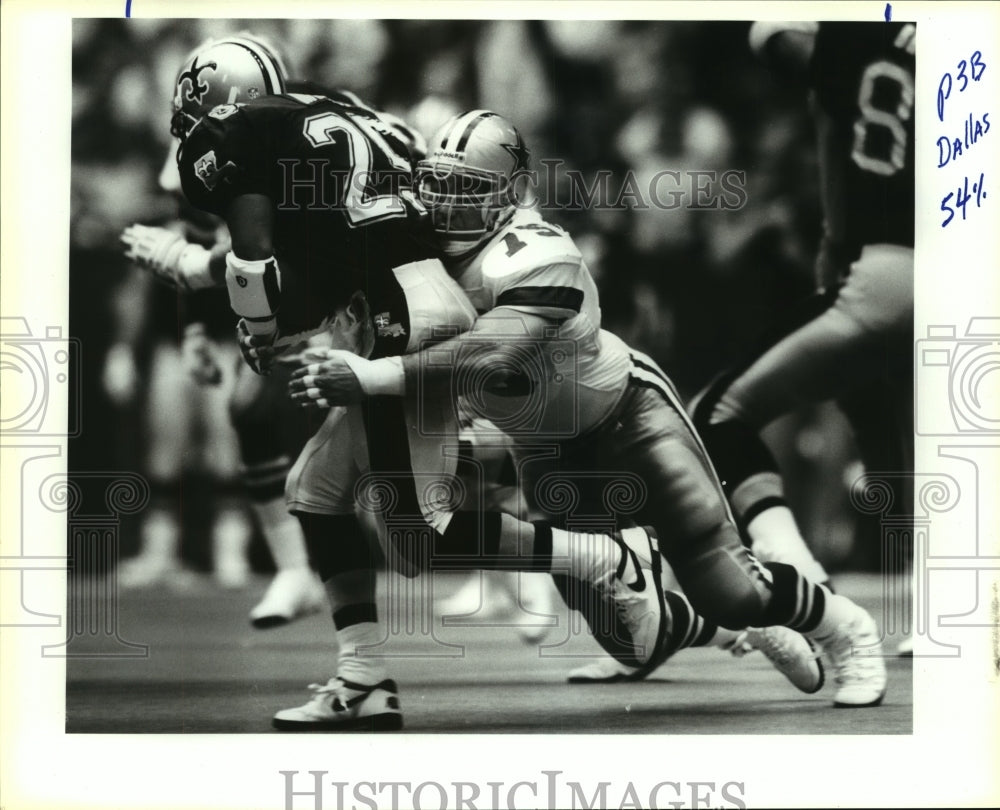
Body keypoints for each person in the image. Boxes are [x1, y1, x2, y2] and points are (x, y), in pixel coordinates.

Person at [294, 109, 888, 711]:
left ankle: (843, 627)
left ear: (515, 192)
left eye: (468, 189)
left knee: (726, 585)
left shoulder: (536, 249)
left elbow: (494, 354)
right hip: (543, 447)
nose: (448, 207)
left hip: (629, 418)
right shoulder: (415, 248)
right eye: (438, 187)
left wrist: (375, 376)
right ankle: (739, 631)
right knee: (625, 634)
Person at [169, 50, 684, 731]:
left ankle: (606, 556)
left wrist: (259, 323)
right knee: (316, 491)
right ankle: (362, 676)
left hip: (400, 319)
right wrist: (293, 321)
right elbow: (344, 243)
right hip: (403, 301)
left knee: (418, 537)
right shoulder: (345, 113)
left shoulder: (228, 136)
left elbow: (254, 256)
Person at [689, 20, 915, 654]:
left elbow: (837, 181)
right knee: (901, 426)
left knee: (717, 412)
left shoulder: (845, 45)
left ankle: (803, 584)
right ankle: (949, 599)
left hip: (883, 270)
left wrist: (834, 258)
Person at [120, 34, 326, 627]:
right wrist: (197, 325)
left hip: (370, 285)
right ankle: (302, 581)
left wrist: (192, 267)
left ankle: (575, 558)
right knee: (253, 414)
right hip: (321, 286)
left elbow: (262, 247)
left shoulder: (288, 145)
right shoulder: (275, 126)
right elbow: (230, 235)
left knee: (391, 465)